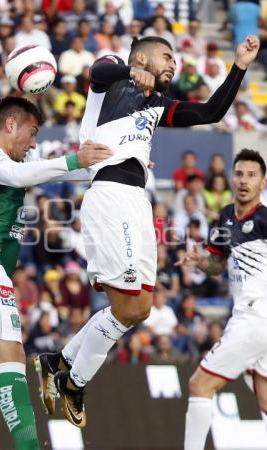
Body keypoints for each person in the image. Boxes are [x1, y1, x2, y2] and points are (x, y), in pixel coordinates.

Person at [35, 35, 260, 428]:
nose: (174, 63)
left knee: (138, 309)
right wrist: (130, 70)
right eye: (167, 56)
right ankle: (74, 379)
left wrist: (239, 65)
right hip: (110, 195)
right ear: (141, 57)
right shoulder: (114, 81)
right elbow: (98, 70)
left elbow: (210, 111)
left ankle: (61, 361)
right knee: (126, 308)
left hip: (136, 202)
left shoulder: (157, 105)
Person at [0, 95, 112, 449]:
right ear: (10, 125)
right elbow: (22, 173)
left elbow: (49, 167)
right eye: (31, 133)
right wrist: (76, 158)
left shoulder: (3, 160)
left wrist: (120, 163)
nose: (34, 143)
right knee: (12, 357)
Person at [176, 148, 267, 450]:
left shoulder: (265, 219)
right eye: (239, 173)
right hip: (252, 319)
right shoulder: (226, 217)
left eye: (252, 175)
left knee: (199, 385)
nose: (244, 180)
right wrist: (198, 259)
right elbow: (216, 265)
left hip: (256, 318)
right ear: (231, 177)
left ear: (262, 183)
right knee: (265, 397)